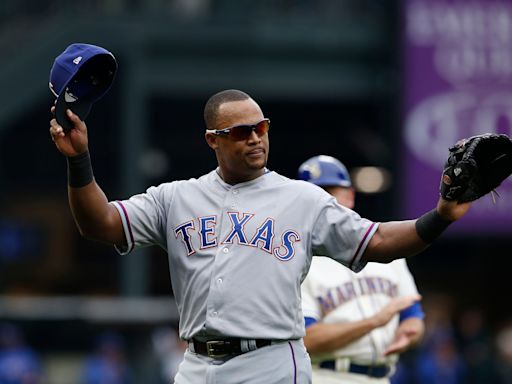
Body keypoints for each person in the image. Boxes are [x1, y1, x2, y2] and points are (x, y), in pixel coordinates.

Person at [49, 88, 471, 384]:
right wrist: (79, 161)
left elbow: (377, 241)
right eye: (240, 131)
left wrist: (440, 216)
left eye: (260, 127)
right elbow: (99, 224)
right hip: (196, 364)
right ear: (212, 140)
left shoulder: (303, 198)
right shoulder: (175, 198)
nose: (254, 137)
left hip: (269, 362)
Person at [298, 155, 425, 384]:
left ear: (350, 195)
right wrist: (375, 321)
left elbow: (412, 316)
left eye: (329, 192)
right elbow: (307, 341)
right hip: (326, 376)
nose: (322, 202)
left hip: (383, 376)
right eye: (313, 196)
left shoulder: (384, 250)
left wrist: (409, 333)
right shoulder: (298, 262)